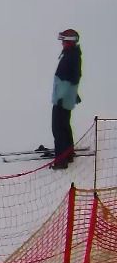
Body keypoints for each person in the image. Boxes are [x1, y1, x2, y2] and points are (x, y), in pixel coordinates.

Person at [51, 29, 83, 169]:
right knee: (64, 126)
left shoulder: (70, 56)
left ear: (69, 42)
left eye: (64, 41)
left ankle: (61, 161)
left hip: (62, 99)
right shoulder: (74, 54)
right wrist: (73, 93)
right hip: (67, 97)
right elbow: (74, 76)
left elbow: (65, 80)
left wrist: (60, 98)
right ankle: (68, 154)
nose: (62, 43)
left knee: (58, 128)